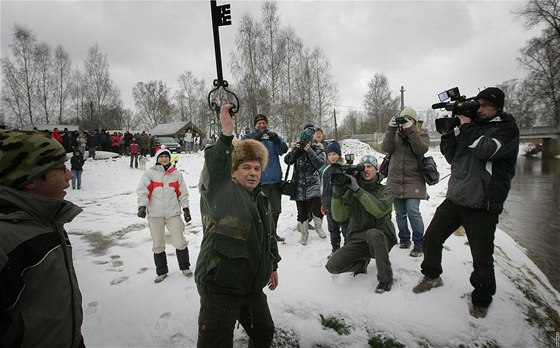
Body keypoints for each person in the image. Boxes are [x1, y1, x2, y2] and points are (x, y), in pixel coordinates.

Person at [412, 87, 519, 318]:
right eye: (477, 104)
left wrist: (467, 127)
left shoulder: (507, 129)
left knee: (481, 257)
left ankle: (481, 298)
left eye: (484, 105)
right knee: (431, 238)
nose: (479, 109)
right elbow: (453, 157)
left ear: (497, 107)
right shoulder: (473, 128)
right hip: (457, 197)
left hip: (483, 202)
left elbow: (486, 150)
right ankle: (432, 275)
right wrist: (450, 134)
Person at [196, 103, 281, 347]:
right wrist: (226, 134)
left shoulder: (262, 199)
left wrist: (271, 264)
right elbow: (215, 168)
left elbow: (268, 236)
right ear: (233, 172)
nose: (253, 173)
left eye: (257, 168)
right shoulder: (223, 193)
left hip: (252, 286)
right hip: (220, 288)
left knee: (264, 333)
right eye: (246, 167)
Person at [0, 130, 86, 347]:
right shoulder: (6, 241)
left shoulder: (46, 221)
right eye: (61, 168)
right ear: (30, 179)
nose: (68, 176)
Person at [325, 154, 397, 294]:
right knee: (332, 266)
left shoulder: (386, 190)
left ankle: (386, 278)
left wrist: (358, 191)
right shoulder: (351, 191)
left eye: (369, 166)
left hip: (381, 239)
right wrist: (337, 195)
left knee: (373, 234)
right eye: (363, 167)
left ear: (376, 170)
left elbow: (379, 211)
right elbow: (339, 216)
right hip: (358, 238)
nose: (366, 170)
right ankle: (360, 264)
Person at [136, 147, 193, 283]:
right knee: (158, 243)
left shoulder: (176, 174)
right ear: (157, 159)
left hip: (173, 213)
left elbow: (182, 193)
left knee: (179, 240)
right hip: (155, 214)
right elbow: (142, 191)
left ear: (169, 158)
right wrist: (142, 206)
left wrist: (186, 209)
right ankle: (161, 271)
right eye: (161, 157)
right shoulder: (150, 174)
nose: (164, 159)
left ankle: (185, 267)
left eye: (166, 156)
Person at [381, 107, 430, 257]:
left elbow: (420, 149)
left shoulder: (422, 134)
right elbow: (385, 148)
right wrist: (391, 128)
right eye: (404, 118)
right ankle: (404, 239)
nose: (406, 121)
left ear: (414, 121)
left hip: (414, 180)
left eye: (410, 119)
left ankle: (419, 243)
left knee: (413, 212)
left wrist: (411, 130)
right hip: (395, 180)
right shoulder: (395, 135)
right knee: (400, 214)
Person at [242, 113, 289, 242]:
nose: (262, 125)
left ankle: (272, 234)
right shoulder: (249, 137)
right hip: (259, 181)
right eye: (259, 123)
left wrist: (277, 140)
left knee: (276, 209)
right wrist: (254, 140)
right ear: (255, 124)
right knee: (259, 210)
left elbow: (283, 149)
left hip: (275, 180)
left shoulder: (272, 137)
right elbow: (242, 150)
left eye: (264, 123)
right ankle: (261, 235)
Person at [284, 124, 326, 245]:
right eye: (304, 140)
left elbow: (320, 164)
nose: (306, 142)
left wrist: (309, 150)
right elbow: (288, 161)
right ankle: (304, 234)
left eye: (308, 139)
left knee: (317, 208)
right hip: (299, 185)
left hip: (313, 184)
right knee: (301, 212)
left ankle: (319, 228)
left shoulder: (318, 149)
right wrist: (296, 149)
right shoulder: (297, 149)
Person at [320, 140, 349, 257]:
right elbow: (323, 190)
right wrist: (324, 205)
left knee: (346, 229)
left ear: (339, 155)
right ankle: (335, 249)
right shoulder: (325, 171)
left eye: (334, 154)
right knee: (333, 230)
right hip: (330, 206)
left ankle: (348, 249)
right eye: (329, 154)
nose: (332, 157)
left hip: (342, 206)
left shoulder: (345, 169)